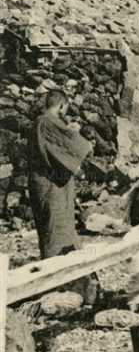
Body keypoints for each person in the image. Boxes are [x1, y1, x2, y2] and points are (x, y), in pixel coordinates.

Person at [28, 89, 97, 303]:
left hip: (46, 182)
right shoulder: (48, 121)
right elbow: (74, 144)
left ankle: (63, 284)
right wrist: (84, 141)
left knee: (56, 230)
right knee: (56, 231)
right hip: (51, 185)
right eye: (64, 109)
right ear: (61, 106)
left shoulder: (39, 123)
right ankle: (55, 287)